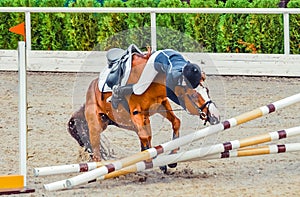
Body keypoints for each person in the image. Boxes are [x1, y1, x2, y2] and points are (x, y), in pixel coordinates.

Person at [111, 48, 202, 108]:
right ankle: (118, 91)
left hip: (172, 54)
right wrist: (183, 105)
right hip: (156, 60)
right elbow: (169, 93)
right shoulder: (172, 75)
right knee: (140, 89)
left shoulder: (192, 69)